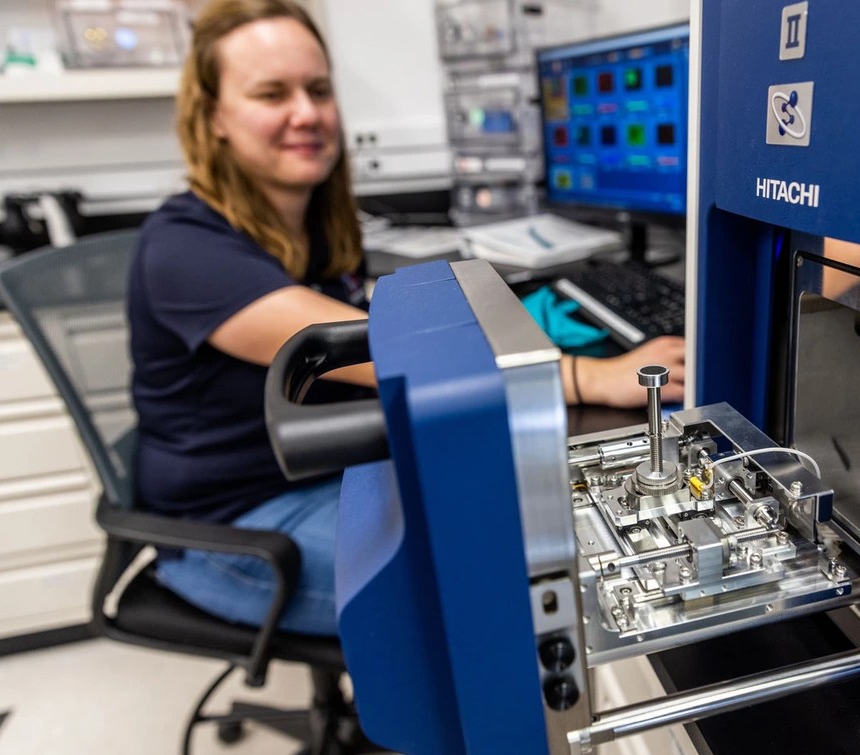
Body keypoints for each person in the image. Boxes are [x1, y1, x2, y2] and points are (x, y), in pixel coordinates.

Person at [128, 0, 685, 637]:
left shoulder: (310, 225)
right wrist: (590, 378)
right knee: (504, 582)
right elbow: (390, 356)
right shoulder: (186, 250)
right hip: (239, 530)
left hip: (332, 475)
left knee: (520, 511)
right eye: (270, 93)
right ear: (214, 116)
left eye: (317, 89)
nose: (305, 113)